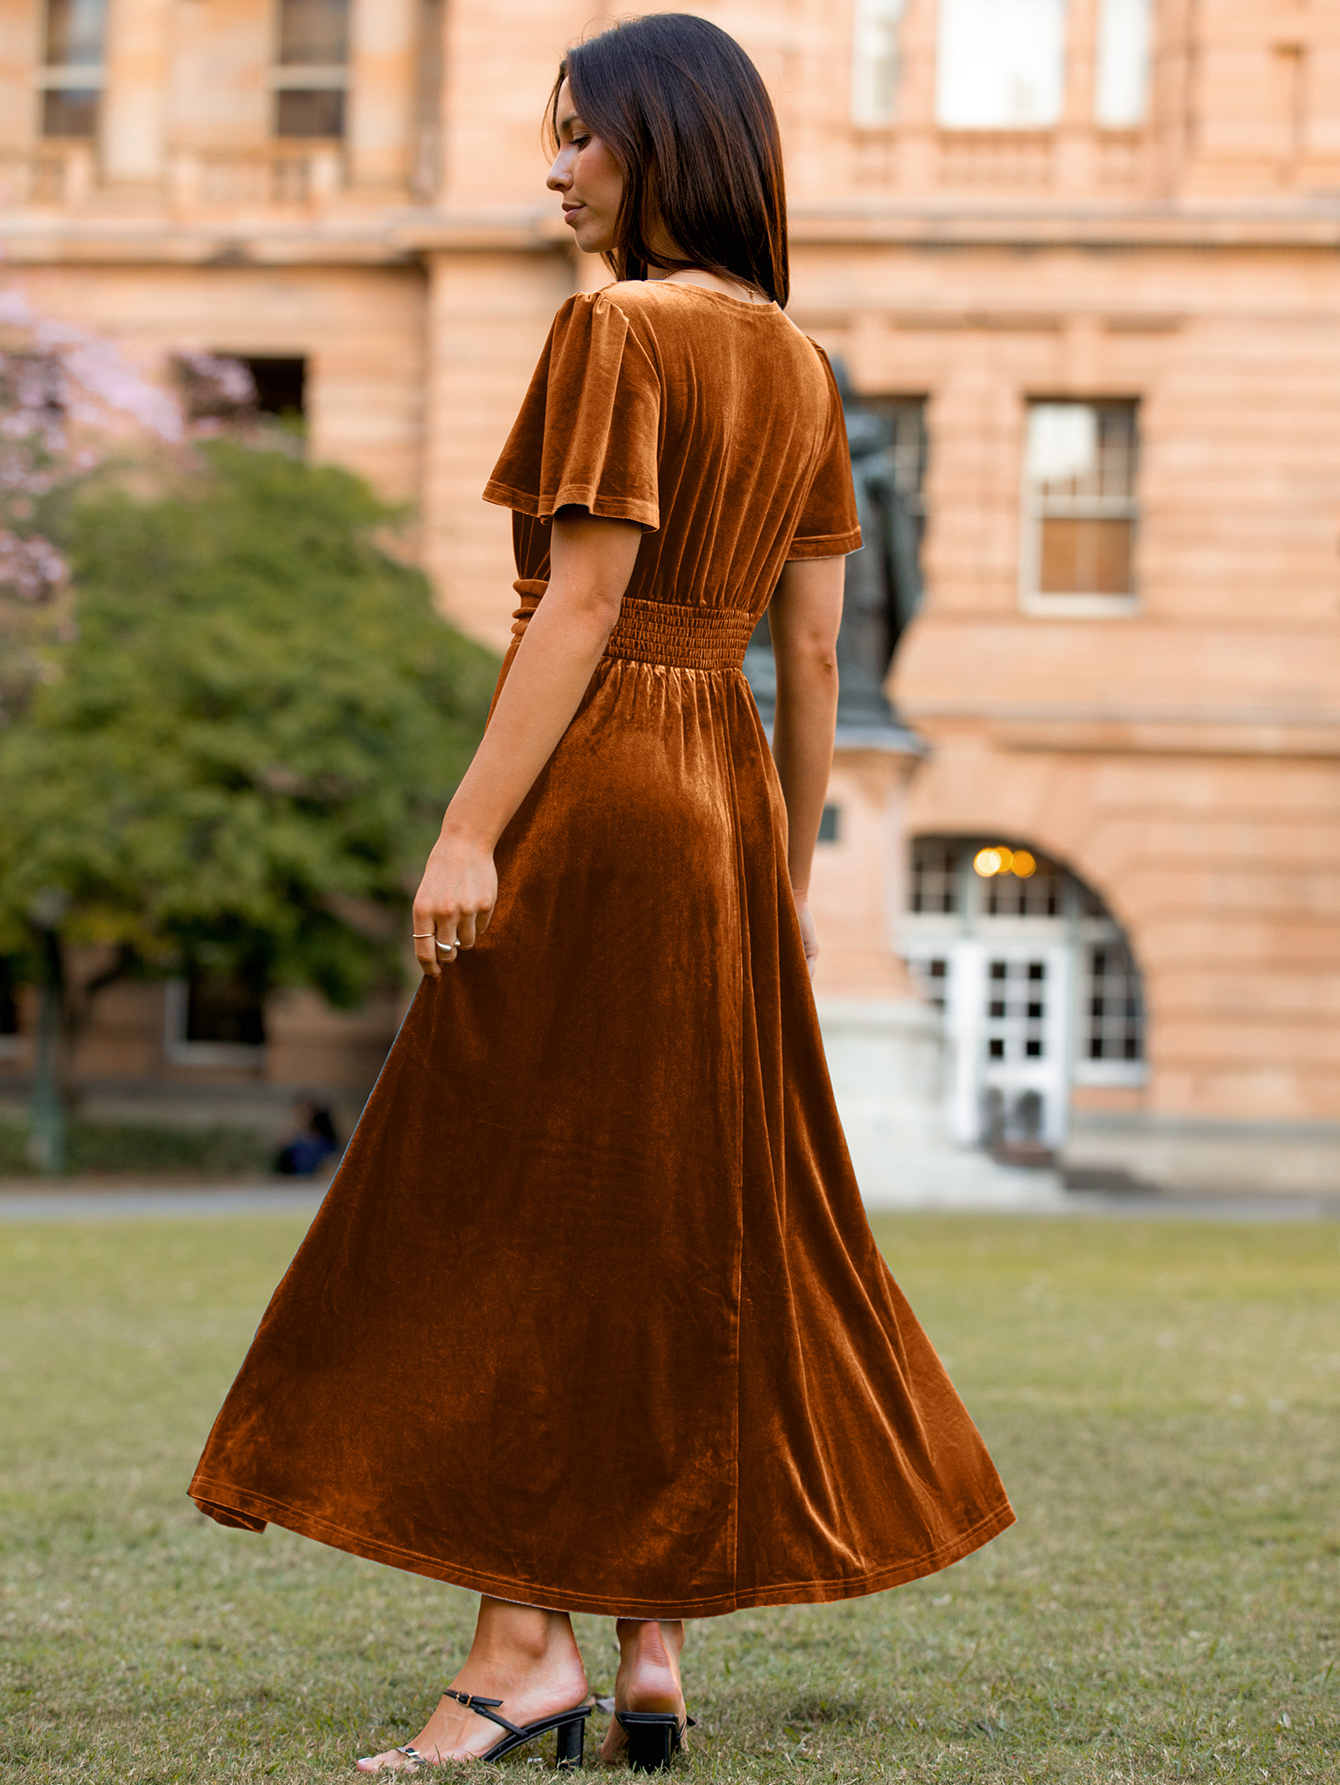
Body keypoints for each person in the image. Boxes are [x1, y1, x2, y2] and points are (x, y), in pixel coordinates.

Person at [189, 14, 1014, 1773]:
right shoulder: (797, 360)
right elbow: (808, 646)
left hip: (609, 779)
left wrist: (469, 827)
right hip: (718, 799)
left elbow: (579, 605)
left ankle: (512, 1649)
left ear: (662, 148)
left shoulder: (616, 327)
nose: (553, 170)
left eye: (580, 139)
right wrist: (777, 881)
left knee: (519, 1212)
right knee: (672, 1221)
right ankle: (647, 1642)